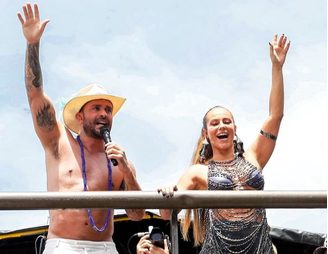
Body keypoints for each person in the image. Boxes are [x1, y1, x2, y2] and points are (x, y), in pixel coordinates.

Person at [17, 3, 145, 254]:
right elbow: (35, 95)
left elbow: (137, 214)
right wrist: (32, 44)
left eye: (108, 110)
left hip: (105, 247)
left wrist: (128, 172)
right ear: (79, 115)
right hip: (63, 245)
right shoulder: (59, 141)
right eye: (96, 108)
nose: (103, 114)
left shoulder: (119, 160)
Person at [158, 33, 290, 254]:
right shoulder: (197, 172)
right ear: (206, 133)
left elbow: (275, 116)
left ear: (234, 129)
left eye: (227, 122)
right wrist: (167, 191)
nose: (222, 126)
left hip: (260, 249)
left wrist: (277, 67)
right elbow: (165, 214)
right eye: (215, 123)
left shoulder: (253, 157)